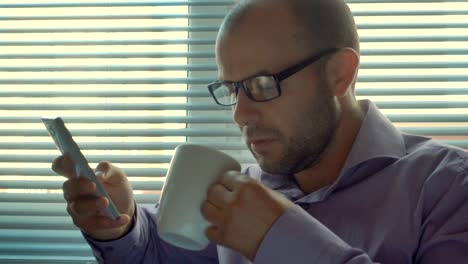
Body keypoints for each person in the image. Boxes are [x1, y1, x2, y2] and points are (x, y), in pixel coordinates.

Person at [52, 0, 468, 263]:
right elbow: (159, 255)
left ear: (339, 74)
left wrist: (279, 237)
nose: (240, 113)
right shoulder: (240, 190)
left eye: (263, 84)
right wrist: (123, 227)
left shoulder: (447, 187)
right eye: (232, 89)